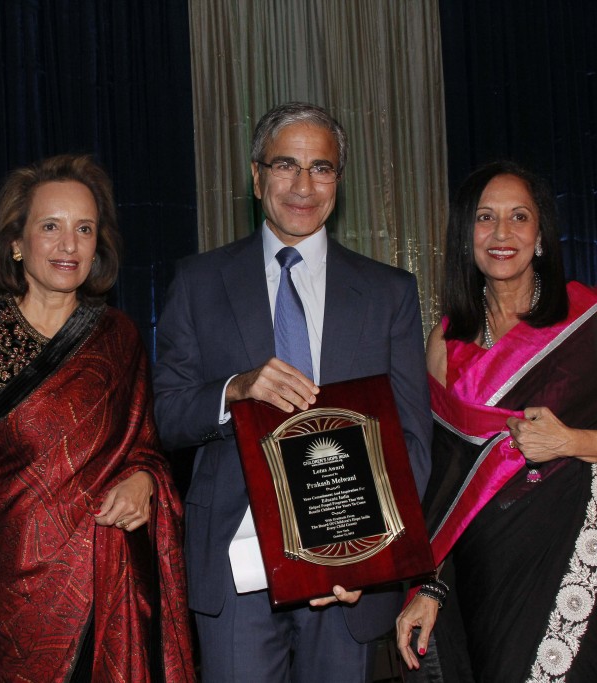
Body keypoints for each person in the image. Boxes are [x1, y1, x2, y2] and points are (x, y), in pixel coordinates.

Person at [152, 102, 433, 682]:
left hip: (349, 574)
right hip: (237, 565)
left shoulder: (388, 294)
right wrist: (236, 388)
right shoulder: (199, 281)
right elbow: (168, 416)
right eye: (286, 165)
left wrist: (372, 555)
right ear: (256, 177)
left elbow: (412, 442)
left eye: (321, 168)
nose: (303, 185)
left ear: (338, 180)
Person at [395, 161, 597, 682]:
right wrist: (428, 585)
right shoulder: (444, 344)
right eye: (485, 218)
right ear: (465, 236)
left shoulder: (589, 321)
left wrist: (570, 441)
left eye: (519, 217)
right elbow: (439, 486)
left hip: (572, 553)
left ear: (539, 235)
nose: (502, 234)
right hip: (484, 572)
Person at [0, 154, 194, 681]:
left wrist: (145, 481)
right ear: (17, 241)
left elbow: (145, 449)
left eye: (84, 229)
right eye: (50, 227)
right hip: (0, 595)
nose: (68, 245)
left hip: (104, 592)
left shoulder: (118, 339)